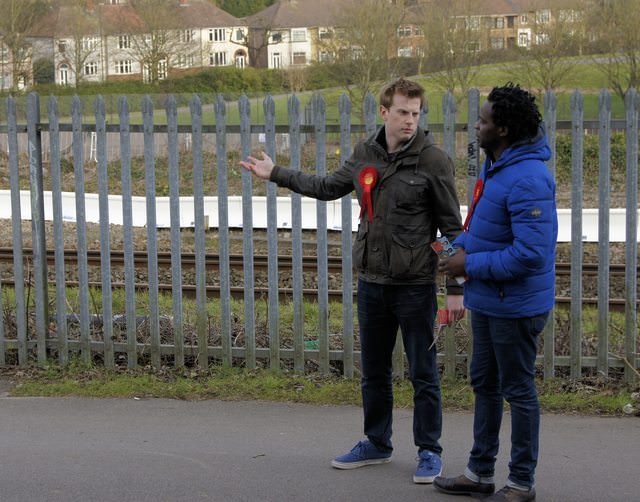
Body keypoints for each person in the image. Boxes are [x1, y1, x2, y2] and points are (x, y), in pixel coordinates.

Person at [240, 77, 465, 484]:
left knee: (424, 373)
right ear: (384, 112)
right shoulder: (365, 153)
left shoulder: (434, 161)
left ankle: (429, 451)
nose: (410, 121)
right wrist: (276, 173)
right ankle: (377, 442)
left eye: (415, 114)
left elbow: (452, 230)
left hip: (415, 287)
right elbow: (327, 187)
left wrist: (455, 291)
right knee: (374, 371)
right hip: (373, 284)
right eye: (402, 112)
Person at [434, 83, 557, 502]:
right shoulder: (496, 166)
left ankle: (521, 482)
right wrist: (457, 248)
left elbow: (530, 256)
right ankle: (479, 473)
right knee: (484, 383)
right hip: (488, 301)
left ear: (502, 129)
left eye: (483, 121)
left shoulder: (528, 179)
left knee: (518, 391)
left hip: (516, 306)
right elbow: (480, 229)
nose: (477, 125)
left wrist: (468, 264)